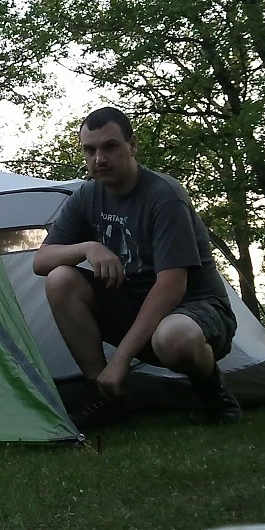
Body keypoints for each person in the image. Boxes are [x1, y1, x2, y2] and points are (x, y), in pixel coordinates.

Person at [32, 107, 241, 428]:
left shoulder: (164, 196)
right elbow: (41, 262)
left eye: (110, 146)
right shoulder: (87, 196)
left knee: (175, 337)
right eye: (90, 150)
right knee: (60, 279)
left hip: (194, 310)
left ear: (132, 146)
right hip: (131, 306)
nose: (99, 158)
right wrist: (88, 247)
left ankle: (213, 392)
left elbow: (171, 286)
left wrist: (121, 360)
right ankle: (104, 395)